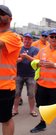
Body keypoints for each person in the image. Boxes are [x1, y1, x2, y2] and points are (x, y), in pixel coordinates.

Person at [30, 29, 56, 135]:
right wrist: (37, 63)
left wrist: (54, 65)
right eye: (51, 36)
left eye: (55, 37)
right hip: (42, 84)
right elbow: (36, 61)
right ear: (48, 38)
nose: (53, 39)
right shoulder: (43, 50)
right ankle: (42, 123)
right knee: (42, 107)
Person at [0, 5, 22, 135]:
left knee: (5, 119)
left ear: (10, 19)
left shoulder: (13, 36)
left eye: (2, 14)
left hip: (4, 87)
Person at [12, 33, 39, 117]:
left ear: (32, 40)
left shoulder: (35, 49)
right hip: (18, 74)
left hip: (31, 75)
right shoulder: (18, 48)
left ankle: (32, 110)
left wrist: (26, 56)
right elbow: (13, 60)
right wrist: (20, 59)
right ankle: (15, 110)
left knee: (31, 94)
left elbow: (36, 61)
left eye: (29, 39)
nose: (27, 41)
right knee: (16, 94)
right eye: (25, 39)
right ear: (23, 40)